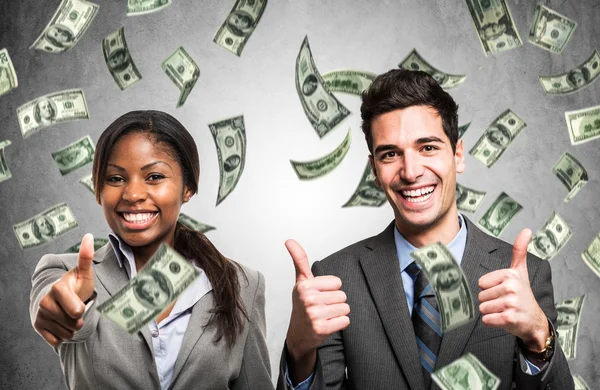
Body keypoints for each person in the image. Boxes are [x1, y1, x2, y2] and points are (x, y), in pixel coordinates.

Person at [278, 69, 574, 390]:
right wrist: (299, 349)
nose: (411, 171)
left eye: (428, 147)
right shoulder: (336, 278)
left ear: (457, 155)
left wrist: (539, 337)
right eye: (390, 154)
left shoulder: (526, 275)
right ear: (374, 171)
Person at [30, 110, 273, 390]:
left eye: (155, 176)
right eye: (116, 179)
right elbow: (55, 311)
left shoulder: (244, 284)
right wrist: (65, 311)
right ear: (98, 190)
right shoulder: (63, 272)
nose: (133, 195)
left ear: (188, 188)